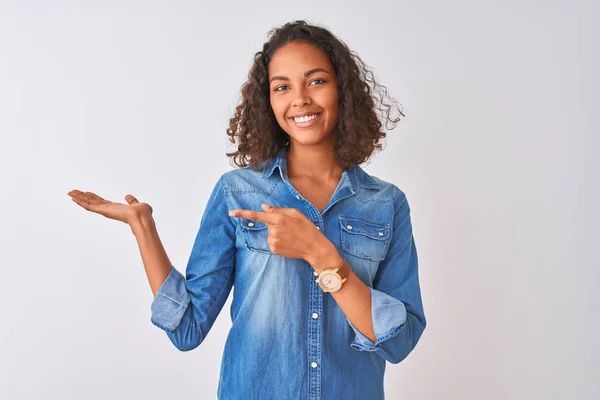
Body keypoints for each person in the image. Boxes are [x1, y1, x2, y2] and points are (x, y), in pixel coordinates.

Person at [68, 20, 426, 400]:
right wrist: (142, 228)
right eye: (282, 87)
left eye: (316, 81)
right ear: (268, 101)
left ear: (343, 89)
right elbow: (187, 328)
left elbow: (398, 341)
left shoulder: (385, 203)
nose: (300, 98)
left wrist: (320, 254)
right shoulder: (237, 192)